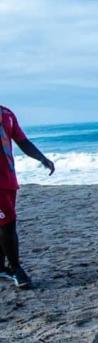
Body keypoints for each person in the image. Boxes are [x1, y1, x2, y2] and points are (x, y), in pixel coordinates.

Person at [0, 106, 54, 288]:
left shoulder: (7, 114)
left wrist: (42, 158)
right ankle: (16, 269)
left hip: (9, 179)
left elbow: (22, 141)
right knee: (7, 224)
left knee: (4, 222)